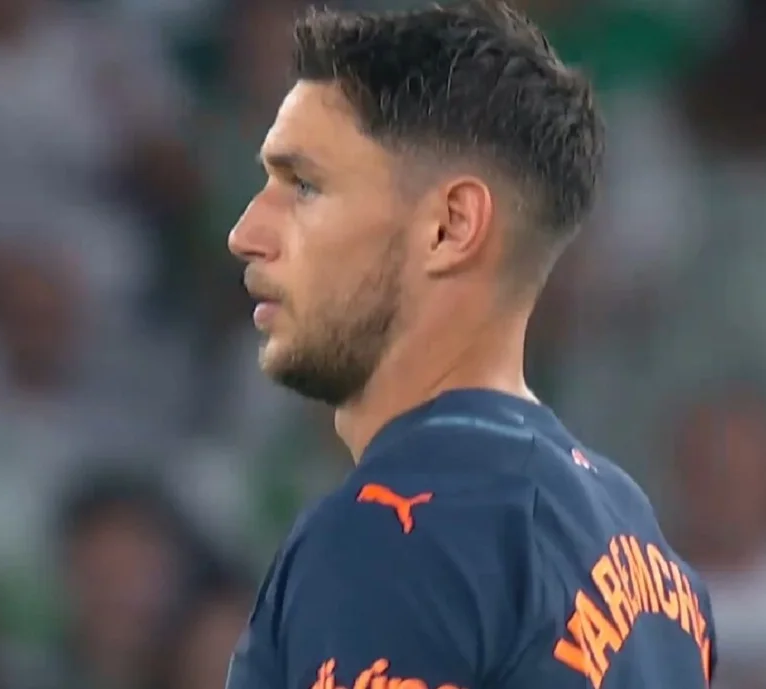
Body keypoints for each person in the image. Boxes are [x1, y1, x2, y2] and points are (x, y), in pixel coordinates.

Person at [224, 2, 715, 689]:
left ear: (451, 226)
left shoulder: (395, 530)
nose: (246, 233)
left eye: (307, 186)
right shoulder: (639, 540)